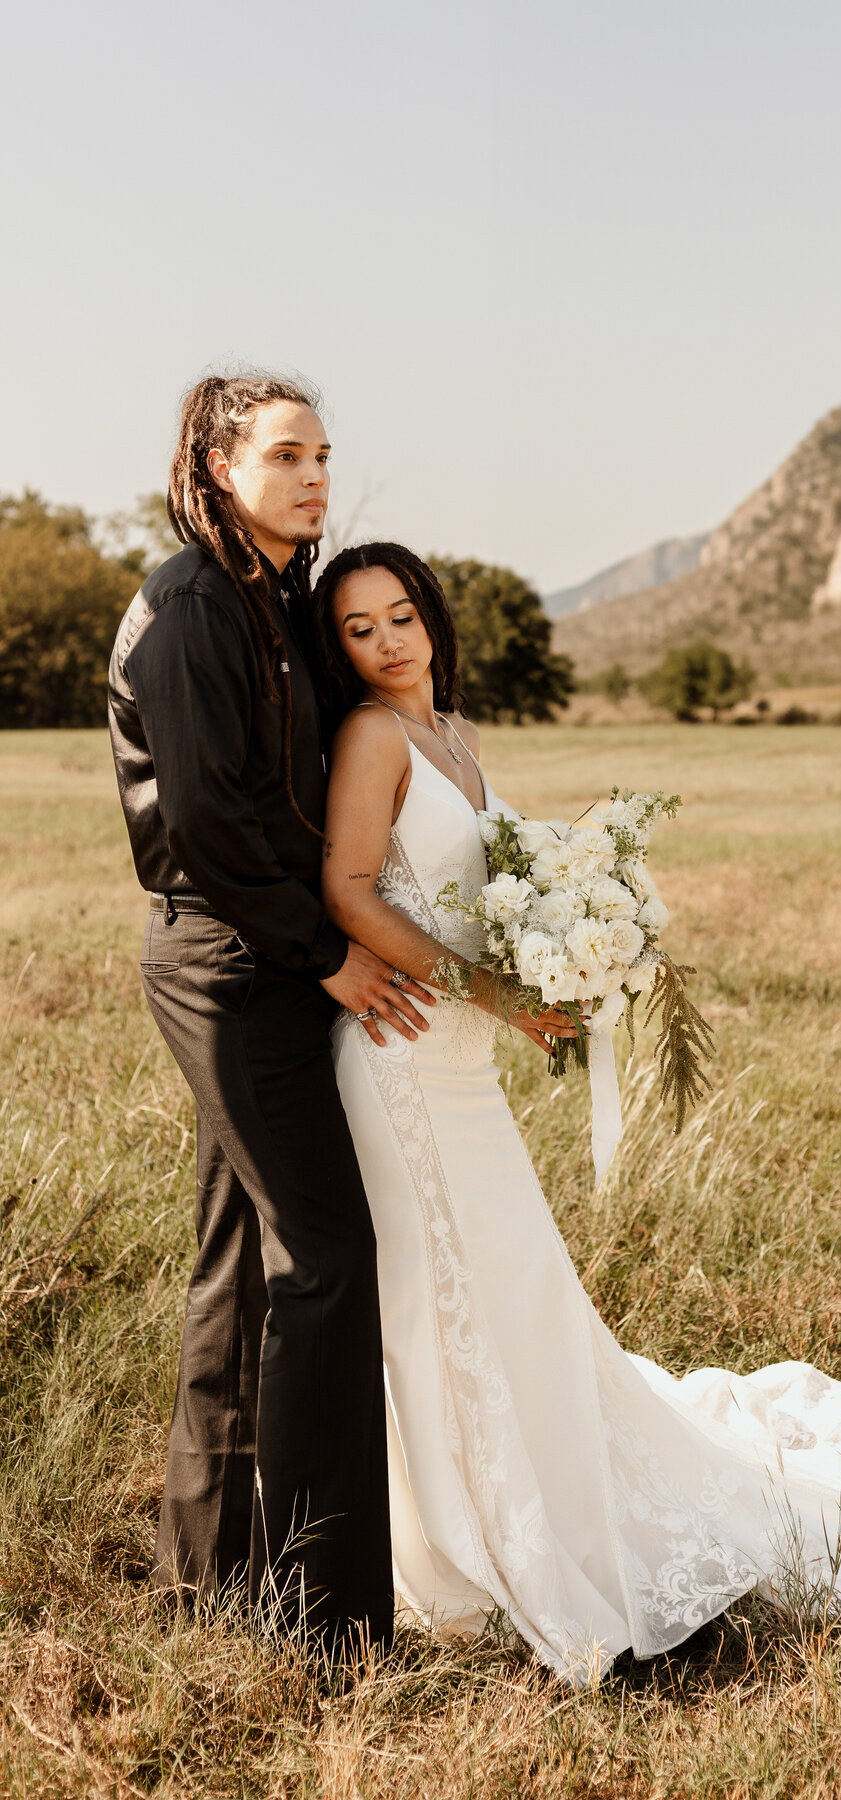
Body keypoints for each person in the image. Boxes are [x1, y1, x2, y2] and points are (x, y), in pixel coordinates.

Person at [311, 538, 841, 1686]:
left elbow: (479, 877)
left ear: (431, 619)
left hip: (462, 1060)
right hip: (404, 1058)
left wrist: (561, 932)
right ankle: (464, 1541)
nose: (385, 642)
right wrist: (498, 991)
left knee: (515, 1285)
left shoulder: (454, 733)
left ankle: (545, 1480)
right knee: (448, 1293)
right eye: (358, 629)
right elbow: (348, 888)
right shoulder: (369, 736)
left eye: (399, 616)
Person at [107, 374, 429, 1658]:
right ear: (217, 463)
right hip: (232, 961)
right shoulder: (191, 605)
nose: (314, 475)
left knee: (242, 1266)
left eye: (324, 454)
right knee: (325, 1258)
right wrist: (327, 954)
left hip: (276, 956)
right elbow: (209, 823)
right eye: (287, 454)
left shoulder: (279, 599)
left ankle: (216, 1576)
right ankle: (325, 1619)